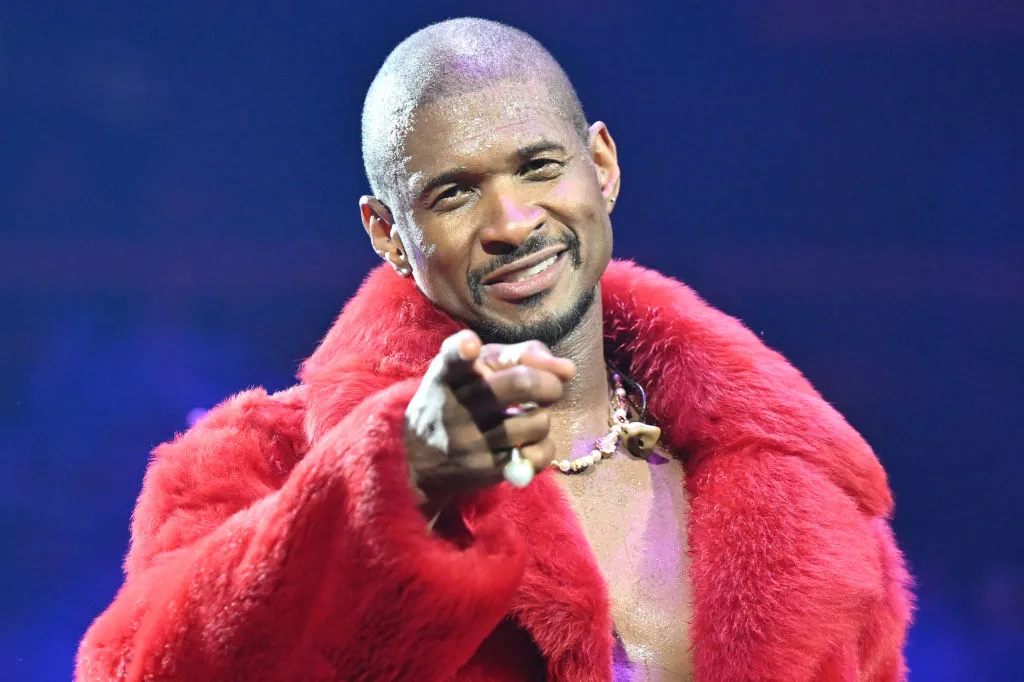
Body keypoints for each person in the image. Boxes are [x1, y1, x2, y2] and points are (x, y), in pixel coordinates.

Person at [77, 18, 912, 682]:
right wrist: (393, 486)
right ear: (389, 234)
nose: (512, 222)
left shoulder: (799, 490)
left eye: (539, 167)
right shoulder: (259, 468)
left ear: (603, 166)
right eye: (454, 192)